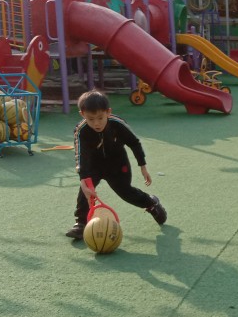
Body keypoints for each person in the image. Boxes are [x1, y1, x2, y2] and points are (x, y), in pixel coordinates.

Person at [66, 90, 166, 240]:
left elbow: (134, 143)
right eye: (91, 119)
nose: (96, 123)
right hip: (94, 165)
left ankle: (151, 203)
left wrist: (142, 165)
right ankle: (81, 223)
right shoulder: (81, 130)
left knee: (125, 191)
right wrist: (83, 179)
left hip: (117, 163)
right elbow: (81, 156)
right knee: (86, 192)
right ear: (82, 114)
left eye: (100, 118)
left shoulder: (117, 124)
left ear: (108, 112)